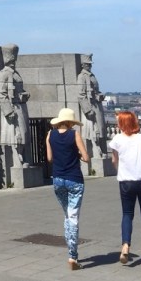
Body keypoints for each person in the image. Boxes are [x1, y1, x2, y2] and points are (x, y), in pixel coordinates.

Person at [109, 111, 141, 265]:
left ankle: (125, 246)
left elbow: (114, 160)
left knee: (127, 214)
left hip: (126, 182)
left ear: (121, 123)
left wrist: (121, 171)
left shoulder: (117, 139)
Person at [46, 108, 90, 270]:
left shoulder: (50, 135)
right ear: (71, 122)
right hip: (74, 179)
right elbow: (86, 158)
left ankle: (71, 252)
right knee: (73, 217)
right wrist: (76, 154)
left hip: (58, 179)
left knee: (67, 215)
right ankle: (72, 255)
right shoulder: (74, 135)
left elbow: (50, 158)